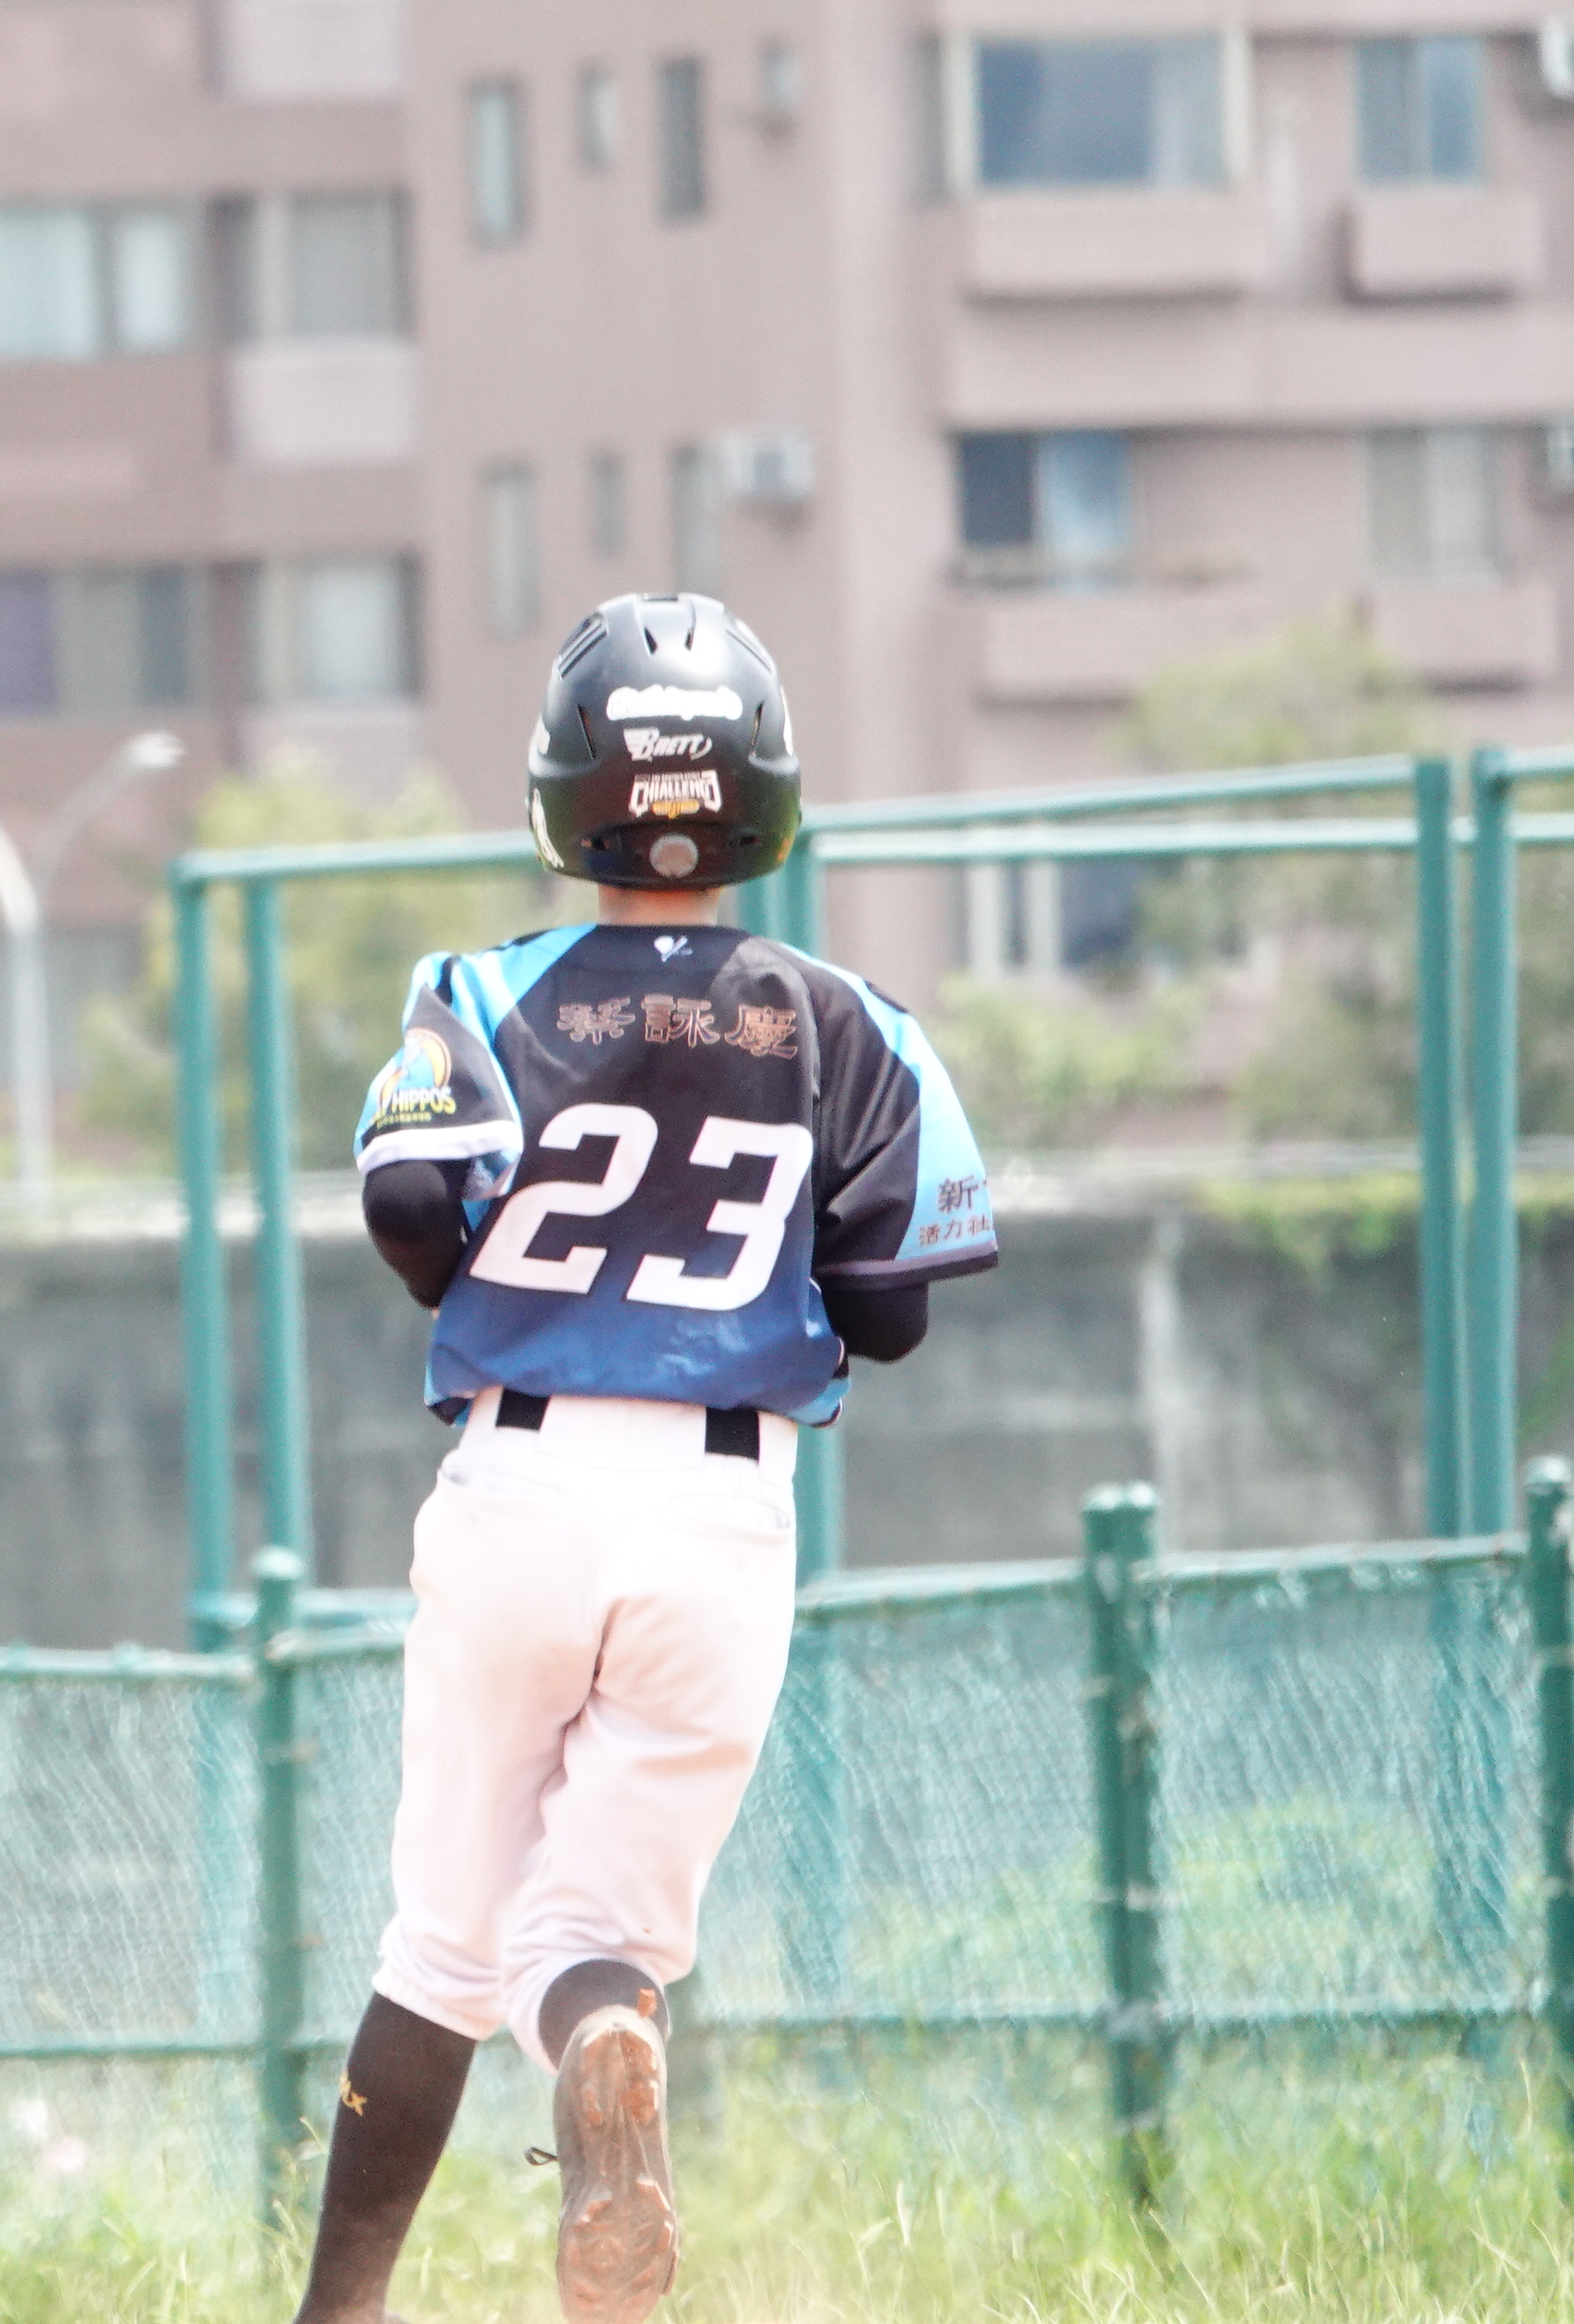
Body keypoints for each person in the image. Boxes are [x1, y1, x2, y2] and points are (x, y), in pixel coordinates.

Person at [293, 593, 995, 2324]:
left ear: (563, 796)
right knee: (589, 1946)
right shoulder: (852, 1023)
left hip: (524, 1480)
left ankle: (340, 2315)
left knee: (441, 1946)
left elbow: (406, 1193)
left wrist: (482, 1275)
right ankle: (605, 2038)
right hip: (721, 1507)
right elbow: (895, 1308)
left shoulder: (481, 992)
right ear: (766, 797)